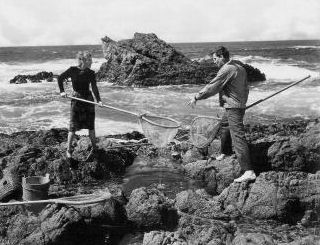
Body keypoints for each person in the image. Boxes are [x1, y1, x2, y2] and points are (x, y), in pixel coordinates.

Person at [187, 46, 256, 182]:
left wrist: (196, 97)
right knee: (224, 125)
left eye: (215, 59)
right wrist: (242, 103)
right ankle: (225, 152)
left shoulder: (226, 69)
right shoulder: (239, 67)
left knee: (237, 136)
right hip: (237, 105)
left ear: (222, 57)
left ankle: (248, 171)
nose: (214, 62)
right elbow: (246, 88)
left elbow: (213, 86)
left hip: (233, 107)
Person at [58, 51, 102, 163]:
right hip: (77, 99)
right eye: (89, 60)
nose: (91, 62)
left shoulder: (91, 73)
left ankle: (95, 149)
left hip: (88, 99)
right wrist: (62, 92)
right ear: (83, 60)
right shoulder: (72, 70)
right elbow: (60, 78)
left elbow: (94, 87)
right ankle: (68, 150)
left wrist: (99, 100)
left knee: (91, 126)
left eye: (91, 60)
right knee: (73, 126)